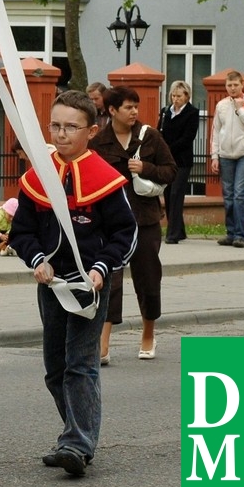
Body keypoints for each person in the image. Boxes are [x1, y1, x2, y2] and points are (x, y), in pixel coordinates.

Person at [8, 91, 137, 477]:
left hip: (88, 286)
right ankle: (74, 433)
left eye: (71, 127)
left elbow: (125, 234)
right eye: (56, 126)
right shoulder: (38, 177)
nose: (61, 134)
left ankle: (78, 444)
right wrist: (37, 259)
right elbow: (22, 232)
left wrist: (101, 268)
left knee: (80, 365)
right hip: (51, 285)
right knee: (55, 367)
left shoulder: (106, 179)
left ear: (91, 131)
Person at [92, 86, 176, 363]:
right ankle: (103, 342)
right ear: (112, 110)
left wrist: (146, 168)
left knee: (148, 278)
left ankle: (148, 334)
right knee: (110, 280)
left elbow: (171, 171)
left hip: (145, 220)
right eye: (128, 107)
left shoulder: (150, 136)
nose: (134, 112)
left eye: (136, 107)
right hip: (110, 223)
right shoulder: (99, 141)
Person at [209, 70, 244, 248]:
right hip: (226, 154)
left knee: (240, 194)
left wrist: (241, 110)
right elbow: (216, 131)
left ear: (242, 85)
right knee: (228, 195)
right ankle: (230, 232)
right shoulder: (221, 105)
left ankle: (240, 234)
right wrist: (214, 156)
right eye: (229, 85)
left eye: (235, 85)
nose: (232, 88)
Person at [158, 80, 198, 245]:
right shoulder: (165, 111)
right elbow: (159, 131)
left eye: (179, 96)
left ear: (187, 96)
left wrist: (169, 148)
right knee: (168, 194)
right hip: (167, 160)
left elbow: (188, 137)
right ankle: (179, 230)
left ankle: (172, 233)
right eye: (173, 96)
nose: (175, 99)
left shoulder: (192, 113)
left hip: (182, 160)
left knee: (176, 194)